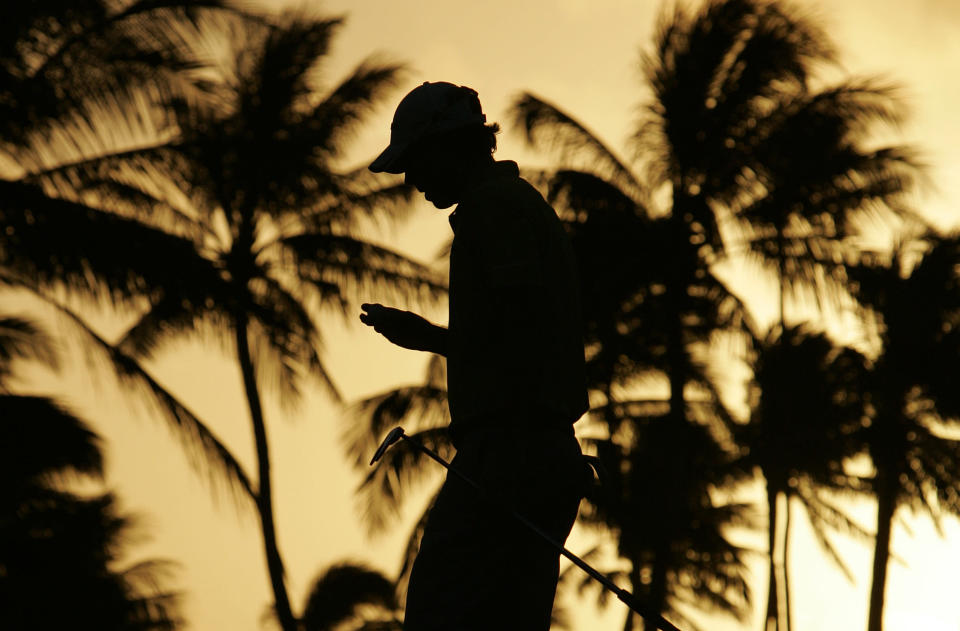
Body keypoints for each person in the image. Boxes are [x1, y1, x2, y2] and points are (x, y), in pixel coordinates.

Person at [360, 81, 590, 631]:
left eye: (416, 163)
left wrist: (429, 338)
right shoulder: (509, 206)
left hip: (514, 452)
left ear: (450, 145)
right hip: (533, 451)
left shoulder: (495, 210)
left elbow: (520, 330)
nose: (412, 181)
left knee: (442, 612)